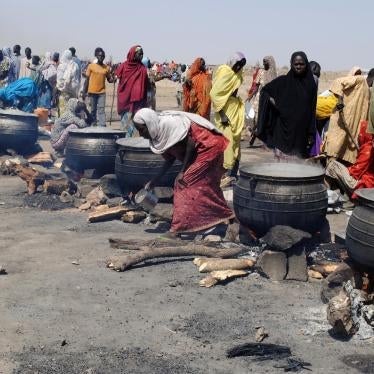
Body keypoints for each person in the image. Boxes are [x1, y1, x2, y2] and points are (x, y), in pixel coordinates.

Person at [133, 108, 235, 236]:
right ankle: (226, 216)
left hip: (208, 145)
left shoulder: (170, 125)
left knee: (183, 183)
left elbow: (191, 144)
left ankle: (177, 229)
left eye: (142, 129)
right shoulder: (158, 134)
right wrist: (155, 180)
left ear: (150, 123)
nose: (140, 134)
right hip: (201, 150)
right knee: (208, 186)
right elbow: (169, 159)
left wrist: (183, 171)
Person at [256, 51, 317, 160]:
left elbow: (312, 109)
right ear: (291, 64)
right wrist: (274, 103)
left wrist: (311, 133)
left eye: (301, 64)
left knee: (298, 166)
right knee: (281, 168)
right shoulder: (283, 82)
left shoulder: (311, 84)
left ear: (306, 64)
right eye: (296, 64)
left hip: (301, 133)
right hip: (282, 132)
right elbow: (265, 91)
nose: (298, 67)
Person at [322, 68, 374, 165]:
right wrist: (340, 100)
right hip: (341, 122)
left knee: (348, 154)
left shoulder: (369, 90)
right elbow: (338, 82)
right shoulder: (360, 80)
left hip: (353, 126)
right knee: (335, 149)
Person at [210, 52, 246, 185]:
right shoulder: (225, 73)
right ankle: (224, 176)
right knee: (227, 143)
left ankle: (232, 174)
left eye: (242, 65)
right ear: (232, 62)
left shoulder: (237, 74)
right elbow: (214, 94)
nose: (239, 68)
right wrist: (222, 115)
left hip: (234, 109)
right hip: (225, 112)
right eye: (237, 64)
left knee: (235, 143)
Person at [326, 120, 374, 198]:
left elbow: (356, 172)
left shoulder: (368, 149)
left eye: (361, 133)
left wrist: (347, 169)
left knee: (332, 165)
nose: (359, 136)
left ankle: (326, 195)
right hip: (370, 185)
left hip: (363, 186)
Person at [115, 45, 148, 135]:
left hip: (138, 103)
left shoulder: (142, 69)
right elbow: (116, 77)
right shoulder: (123, 66)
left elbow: (146, 86)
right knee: (125, 126)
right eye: (139, 54)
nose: (141, 56)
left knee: (136, 125)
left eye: (142, 54)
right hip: (125, 100)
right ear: (133, 54)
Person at [247, 56, 277, 145]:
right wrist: (250, 96)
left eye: (265, 62)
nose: (263, 63)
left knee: (265, 119)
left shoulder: (274, 74)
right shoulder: (261, 72)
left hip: (269, 99)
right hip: (260, 98)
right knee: (256, 119)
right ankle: (254, 134)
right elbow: (256, 86)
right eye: (263, 62)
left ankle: (261, 137)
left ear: (270, 62)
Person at [83, 48, 113, 127]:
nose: (101, 57)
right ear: (96, 56)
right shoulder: (91, 66)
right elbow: (87, 80)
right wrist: (84, 91)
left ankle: (102, 125)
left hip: (101, 92)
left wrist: (113, 79)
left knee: (101, 109)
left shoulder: (106, 68)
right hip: (92, 91)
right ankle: (93, 123)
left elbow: (109, 79)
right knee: (93, 110)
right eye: (100, 55)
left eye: (103, 56)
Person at [56, 50, 80, 116]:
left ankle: (63, 124)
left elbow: (60, 81)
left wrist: (59, 88)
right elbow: (78, 79)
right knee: (72, 111)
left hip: (64, 93)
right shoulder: (75, 65)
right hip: (73, 93)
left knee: (63, 111)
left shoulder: (61, 66)